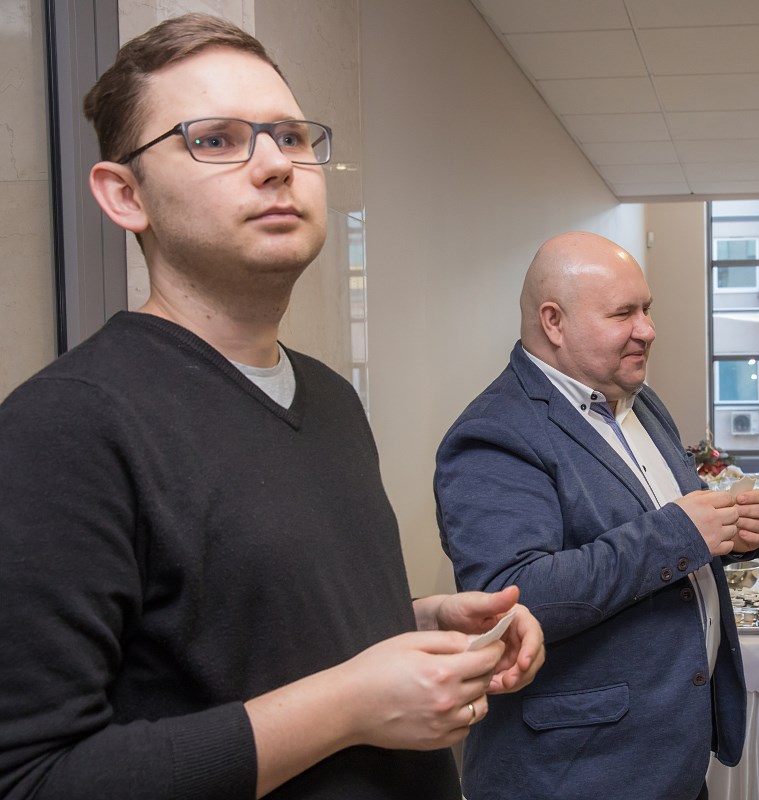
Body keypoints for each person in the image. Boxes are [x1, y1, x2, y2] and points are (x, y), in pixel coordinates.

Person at [0, 14, 543, 799]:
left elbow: (245, 636)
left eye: (289, 136)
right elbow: (32, 778)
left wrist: (415, 625)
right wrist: (350, 704)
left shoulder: (328, 396)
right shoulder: (67, 427)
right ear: (125, 195)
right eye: (216, 140)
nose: (275, 165)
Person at [434, 231, 759, 800]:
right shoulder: (495, 432)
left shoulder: (637, 401)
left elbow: (678, 528)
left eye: (647, 309)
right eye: (623, 314)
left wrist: (731, 530)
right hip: (577, 772)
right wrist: (682, 532)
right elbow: (509, 599)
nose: (648, 329)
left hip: (669, 755)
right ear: (553, 322)